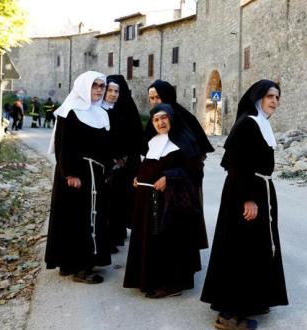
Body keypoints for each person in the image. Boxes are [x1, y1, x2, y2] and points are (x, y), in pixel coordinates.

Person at [200, 80, 288, 330]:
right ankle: (230, 315)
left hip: (259, 189)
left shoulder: (261, 124)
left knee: (253, 249)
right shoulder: (247, 124)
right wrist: (248, 198)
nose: (274, 101)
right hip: (246, 193)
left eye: (277, 97)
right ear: (257, 97)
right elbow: (236, 165)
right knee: (240, 250)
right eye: (270, 96)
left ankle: (250, 302)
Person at [123, 103, 208, 299]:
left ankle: (172, 284)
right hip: (148, 201)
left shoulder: (185, 141)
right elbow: (149, 164)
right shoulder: (153, 141)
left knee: (170, 241)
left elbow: (194, 170)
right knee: (149, 240)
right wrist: (139, 176)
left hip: (173, 203)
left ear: (171, 118)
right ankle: (149, 279)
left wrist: (170, 177)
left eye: (164, 118)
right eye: (156, 119)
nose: (160, 122)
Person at [45, 71, 112, 284]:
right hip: (76, 177)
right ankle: (80, 267)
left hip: (95, 176)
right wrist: (70, 173)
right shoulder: (70, 112)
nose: (100, 90)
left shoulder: (101, 113)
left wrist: (109, 167)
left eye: (102, 86)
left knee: (91, 218)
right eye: (95, 85)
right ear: (84, 86)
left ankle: (73, 262)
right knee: (76, 219)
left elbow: (104, 147)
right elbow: (63, 145)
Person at [102, 75, 144, 251]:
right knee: (108, 201)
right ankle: (110, 237)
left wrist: (124, 156)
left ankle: (118, 233)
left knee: (122, 199)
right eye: (109, 90)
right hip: (107, 163)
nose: (112, 94)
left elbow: (136, 137)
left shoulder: (128, 108)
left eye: (116, 91)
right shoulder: (99, 109)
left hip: (127, 163)